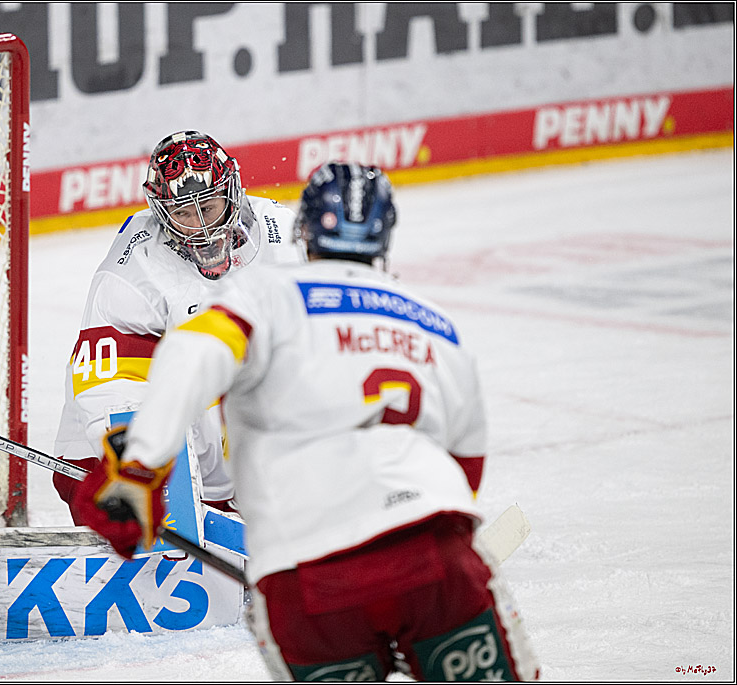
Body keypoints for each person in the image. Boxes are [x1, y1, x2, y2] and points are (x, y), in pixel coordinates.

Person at [73, 162, 540, 681]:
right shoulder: (435, 323)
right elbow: (466, 465)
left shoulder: (261, 293)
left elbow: (189, 354)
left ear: (304, 232)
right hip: (432, 558)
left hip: (306, 576)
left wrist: (138, 468)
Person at [51, 130, 298, 519]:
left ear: (232, 193)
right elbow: (109, 384)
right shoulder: (134, 268)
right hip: (130, 451)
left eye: (209, 207)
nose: (200, 226)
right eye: (183, 213)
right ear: (161, 212)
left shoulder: (285, 234)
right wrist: (138, 467)